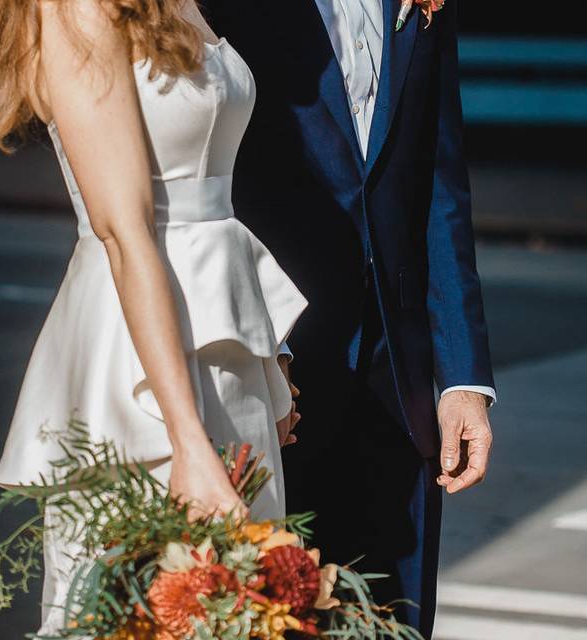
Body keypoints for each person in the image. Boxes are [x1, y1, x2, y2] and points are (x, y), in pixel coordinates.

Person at [0, 0, 307, 634]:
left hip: (227, 358)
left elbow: (215, 208)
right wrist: (188, 440)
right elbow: (124, 235)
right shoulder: (74, 9)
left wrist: (268, 359)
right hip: (140, 369)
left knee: (247, 613)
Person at [200, 0, 497, 634]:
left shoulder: (423, 10)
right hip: (278, 367)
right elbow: (212, 178)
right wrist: (259, 350)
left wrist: (464, 381)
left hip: (400, 379)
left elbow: (440, 187)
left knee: (395, 612)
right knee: (271, 610)